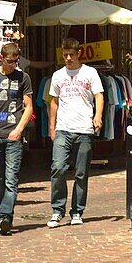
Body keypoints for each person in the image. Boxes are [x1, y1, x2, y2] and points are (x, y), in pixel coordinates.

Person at [0, 42, 33, 236]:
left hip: (13, 135)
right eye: (9, 61)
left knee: (12, 179)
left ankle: (5, 216)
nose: (12, 65)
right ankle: (4, 216)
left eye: (15, 61)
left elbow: (29, 107)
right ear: (1, 58)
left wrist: (18, 130)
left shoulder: (23, 77)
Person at [47, 39, 104, 228]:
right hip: (63, 128)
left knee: (81, 173)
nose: (68, 58)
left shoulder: (90, 73)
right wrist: (51, 127)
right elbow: (53, 102)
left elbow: (99, 95)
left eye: (71, 55)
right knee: (58, 167)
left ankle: (77, 211)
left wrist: (98, 116)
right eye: (65, 55)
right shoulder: (57, 75)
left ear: (79, 53)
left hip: (84, 129)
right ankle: (57, 209)